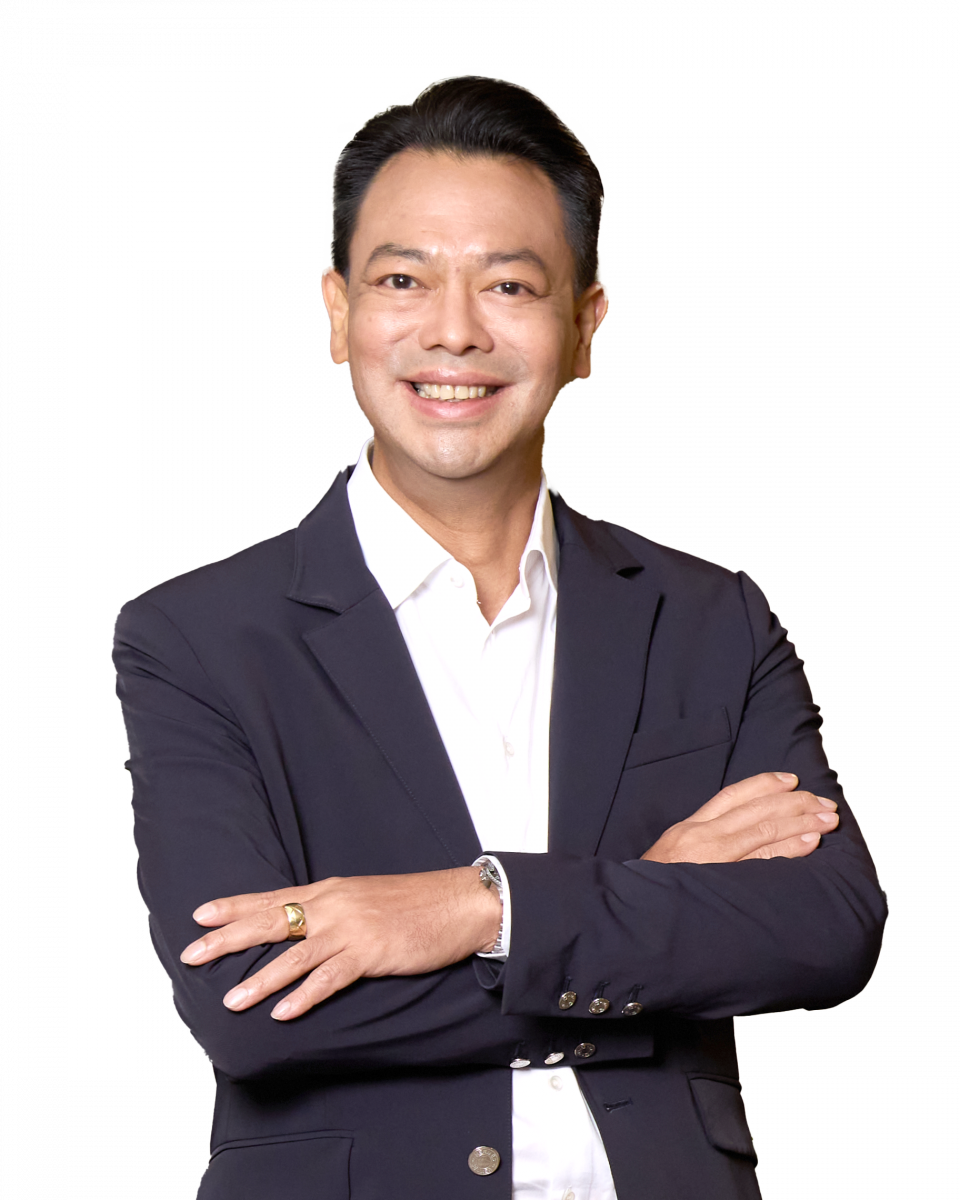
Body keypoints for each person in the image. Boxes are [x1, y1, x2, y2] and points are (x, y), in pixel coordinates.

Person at [113, 72, 887, 1200]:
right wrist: (644, 901)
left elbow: (827, 928)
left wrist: (480, 907)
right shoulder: (197, 636)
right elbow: (251, 1010)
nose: (454, 330)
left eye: (511, 284)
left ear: (585, 325)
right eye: (402, 279)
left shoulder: (710, 615)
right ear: (338, 311)